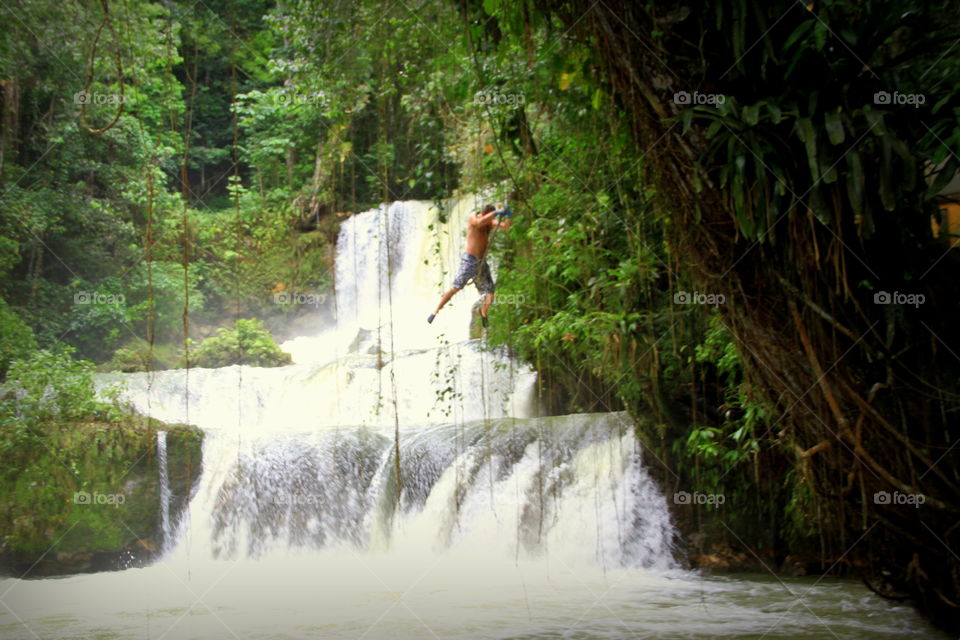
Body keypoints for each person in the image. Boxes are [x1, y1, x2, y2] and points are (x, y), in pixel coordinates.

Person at [427, 203, 512, 327]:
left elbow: (505, 226)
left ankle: (483, 312)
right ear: (484, 214)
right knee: (456, 288)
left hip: (481, 262)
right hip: (469, 260)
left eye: (493, 219)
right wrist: (495, 213)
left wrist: (508, 215)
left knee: (490, 292)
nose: (492, 220)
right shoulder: (474, 218)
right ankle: (436, 310)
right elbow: (479, 222)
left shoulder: (489, 223)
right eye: (490, 217)